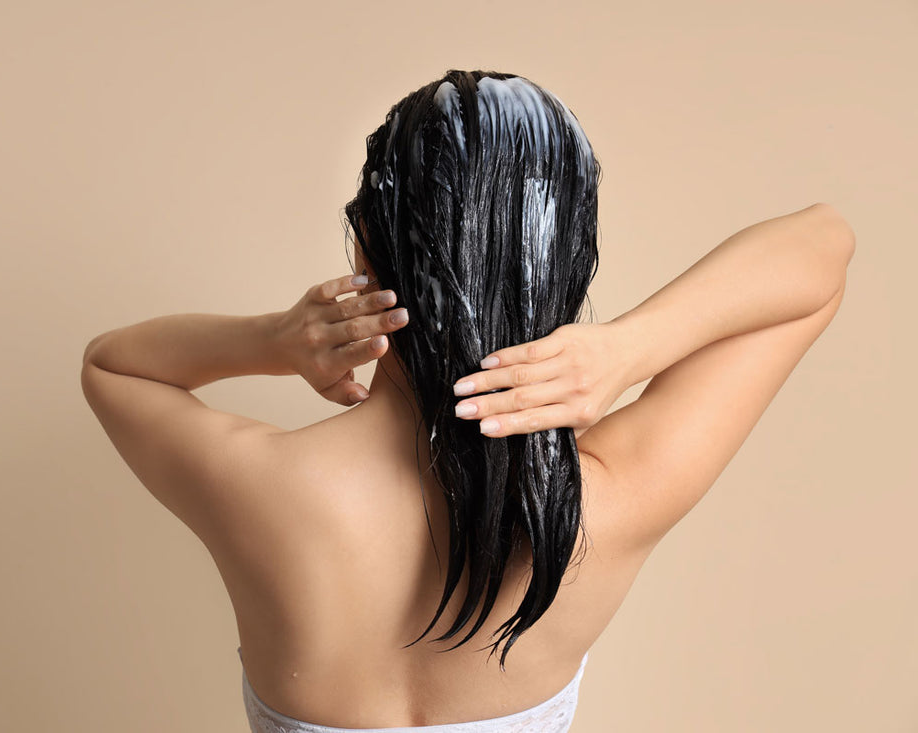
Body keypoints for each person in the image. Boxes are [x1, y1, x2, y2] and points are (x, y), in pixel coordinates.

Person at [80, 69, 856, 732]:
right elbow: (825, 246)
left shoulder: (261, 485)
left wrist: (276, 340)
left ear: (365, 250)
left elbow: (113, 366)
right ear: (564, 269)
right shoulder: (605, 504)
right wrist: (629, 347)